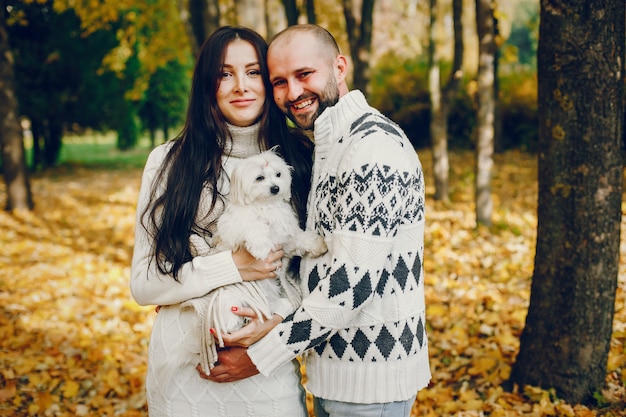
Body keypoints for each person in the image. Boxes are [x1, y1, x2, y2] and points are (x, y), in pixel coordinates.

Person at [205, 24, 431, 417]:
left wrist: (263, 354)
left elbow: (352, 284)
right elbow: (315, 261)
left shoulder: (371, 149)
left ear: (339, 68)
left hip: (370, 382)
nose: (292, 93)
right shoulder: (330, 143)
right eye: (279, 81)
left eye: (304, 74)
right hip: (336, 372)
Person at [130, 26, 314, 417]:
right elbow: (145, 285)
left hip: (269, 371)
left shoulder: (301, 159)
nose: (240, 86)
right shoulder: (169, 162)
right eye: (225, 73)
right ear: (206, 84)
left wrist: (274, 334)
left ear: (270, 81)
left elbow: (316, 276)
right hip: (185, 373)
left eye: (253, 71)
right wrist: (233, 266)